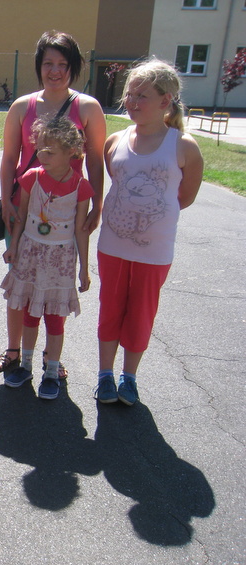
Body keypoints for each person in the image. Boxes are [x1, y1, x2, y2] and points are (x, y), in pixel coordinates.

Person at [0, 30, 105, 378]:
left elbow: (95, 160)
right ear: (39, 66)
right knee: (20, 280)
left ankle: (51, 356)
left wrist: (97, 205)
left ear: (74, 68)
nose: (55, 71)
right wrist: (7, 203)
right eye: (48, 63)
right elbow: (10, 158)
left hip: (67, 214)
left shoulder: (88, 107)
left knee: (56, 284)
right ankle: (14, 350)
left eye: (63, 64)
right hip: (24, 209)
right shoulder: (22, 106)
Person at [94, 59, 203, 406]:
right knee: (110, 308)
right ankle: (105, 375)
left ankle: (129, 378)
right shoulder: (115, 141)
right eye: (130, 94)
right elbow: (117, 182)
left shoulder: (184, 146)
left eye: (142, 96)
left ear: (165, 101)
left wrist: (151, 218)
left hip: (154, 251)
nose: (132, 102)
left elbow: (184, 197)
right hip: (112, 246)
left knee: (141, 313)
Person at [1, 117, 92, 400]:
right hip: (30, 254)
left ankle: (51, 372)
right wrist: (14, 246)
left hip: (60, 260)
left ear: (71, 152)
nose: (42, 155)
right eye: (40, 149)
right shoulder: (32, 178)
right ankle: (26, 365)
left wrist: (84, 269)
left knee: (55, 318)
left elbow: (81, 230)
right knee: (30, 313)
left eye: (50, 151)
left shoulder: (81, 187)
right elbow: (21, 216)